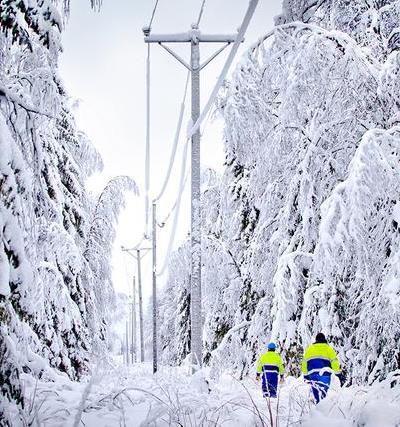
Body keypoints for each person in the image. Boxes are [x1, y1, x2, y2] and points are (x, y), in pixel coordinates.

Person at [301, 332, 342, 403]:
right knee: (323, 390)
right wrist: (337, 373)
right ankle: (322, 406)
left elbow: (304, 362)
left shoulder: (309, 349)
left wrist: (305, 375)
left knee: (315, 390)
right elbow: (334, 361)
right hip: (324, 373)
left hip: (312, 374)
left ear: (316, 340)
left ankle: (317, 404)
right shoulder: (328, 349)